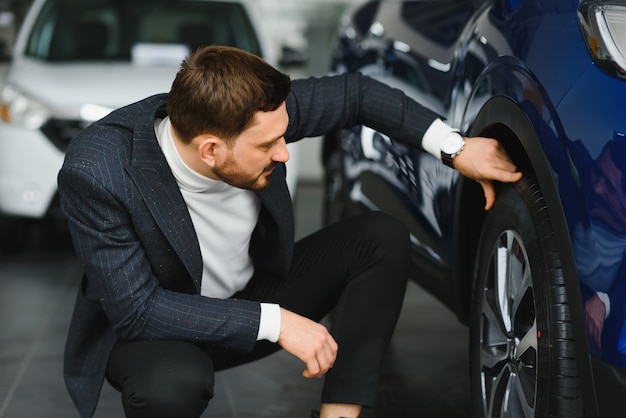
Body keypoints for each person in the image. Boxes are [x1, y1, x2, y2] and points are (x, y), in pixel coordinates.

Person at [58, 45, 522, 418]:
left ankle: (340, 414)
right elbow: (138, 311)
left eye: (284, 136)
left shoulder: (256, 115)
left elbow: (356, 93)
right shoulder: (99, 170)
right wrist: (276, 323)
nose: (284, 152)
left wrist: (455, 147)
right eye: (268, 146)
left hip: (248, 291)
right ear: (211, 150)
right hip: (161, 330)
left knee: (380, 238)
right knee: (170, 387)